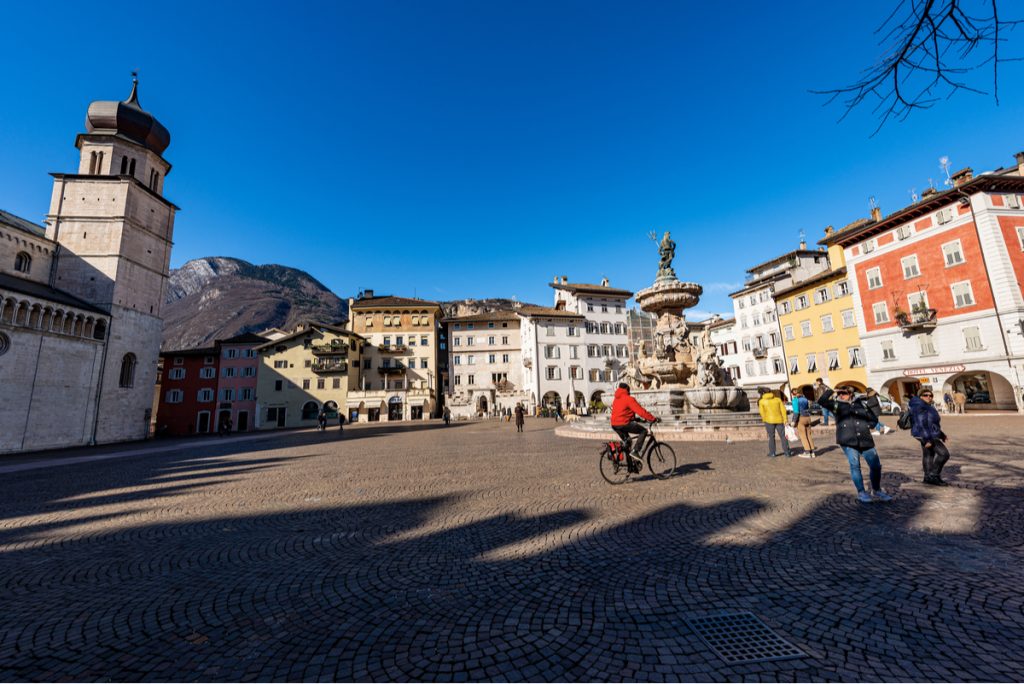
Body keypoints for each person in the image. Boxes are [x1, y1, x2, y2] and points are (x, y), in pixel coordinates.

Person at [818, 385, 893, 503]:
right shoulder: (836, 405)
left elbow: (873, 419)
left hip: (865, 439)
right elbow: (821, 401)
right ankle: (861, 492)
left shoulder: (861, 404)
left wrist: (868, 426)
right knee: (855, 465)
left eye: (844, 393)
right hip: (848, 440)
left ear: (851, 394)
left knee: (876, 466)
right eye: (840, 393)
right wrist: (832, 390)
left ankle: (877, 490)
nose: (841, 395)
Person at [908, 389, 951, 485]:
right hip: (927, 435)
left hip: (927, 434)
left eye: (931, 395)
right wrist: (927, 439)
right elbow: (921, 424)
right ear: (920, 396)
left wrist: (941, 434)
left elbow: (931, 423)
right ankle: (933, 475)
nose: (929, 397)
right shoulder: (919, 406)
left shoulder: (925, 406)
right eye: (926, 395)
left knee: (928, 455)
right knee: (944, 454)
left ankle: (928, 477)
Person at [610, 383, 657, 463]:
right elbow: (641, 411)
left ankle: (630, 466)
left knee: (628, 442)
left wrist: (639, 420)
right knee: (643, 431)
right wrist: (652, 418)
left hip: (614, 424)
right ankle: (636, 451)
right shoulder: (629, 399)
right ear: (627, 390)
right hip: (623, 423)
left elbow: (624, 413)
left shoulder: (616, 399)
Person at [757, 387, 791, 458]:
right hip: (780, 420)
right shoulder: (777, 399)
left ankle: (772, 453)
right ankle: (787, 452)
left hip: (769, 421)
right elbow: (783, 410)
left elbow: (762, 412)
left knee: (771, 437)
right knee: (783, 436)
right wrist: (785, 420)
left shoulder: (762, 401)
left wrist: (764, 420)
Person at [795, 386, 817, 458]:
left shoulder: (796, 400)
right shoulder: (805, 399)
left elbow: (796, 412)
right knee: (809, 435)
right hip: (808, 417)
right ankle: (812, 452)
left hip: (801, 418)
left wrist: (794, 421)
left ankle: (807, 452)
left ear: (797, 393)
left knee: (803, 436)